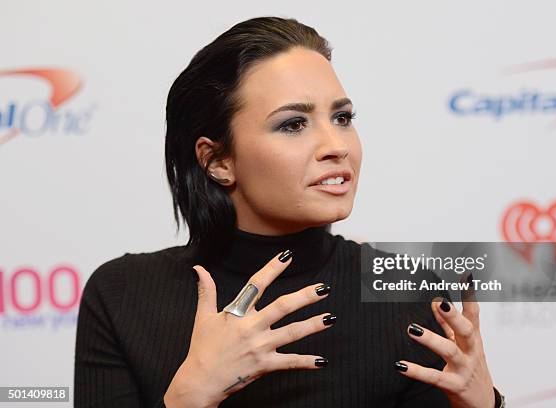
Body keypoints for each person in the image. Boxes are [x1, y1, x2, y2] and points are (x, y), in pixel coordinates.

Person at [74, 16, 504, 408]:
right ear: (217, 161)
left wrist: (485, 405)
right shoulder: (121, 295)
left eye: (342, 117)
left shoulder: (405, 291)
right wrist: (191, 395)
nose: (336, 146)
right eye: (293, 124)